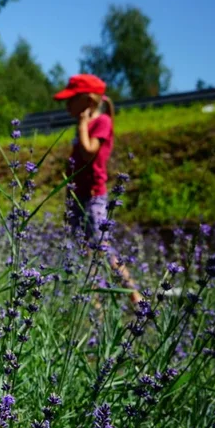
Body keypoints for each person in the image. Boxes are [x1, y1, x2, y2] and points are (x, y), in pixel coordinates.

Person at [54, 73, 140, 302]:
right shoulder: (85, 124)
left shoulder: (102, 122)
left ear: (89, 101)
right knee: (84, 252)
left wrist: (82, 124)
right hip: (77, 195)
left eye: (72, 99)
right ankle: (94, 308)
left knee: (103, 248)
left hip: (93, 196)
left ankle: (136, 298)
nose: (67, 104)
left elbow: (89, 151)